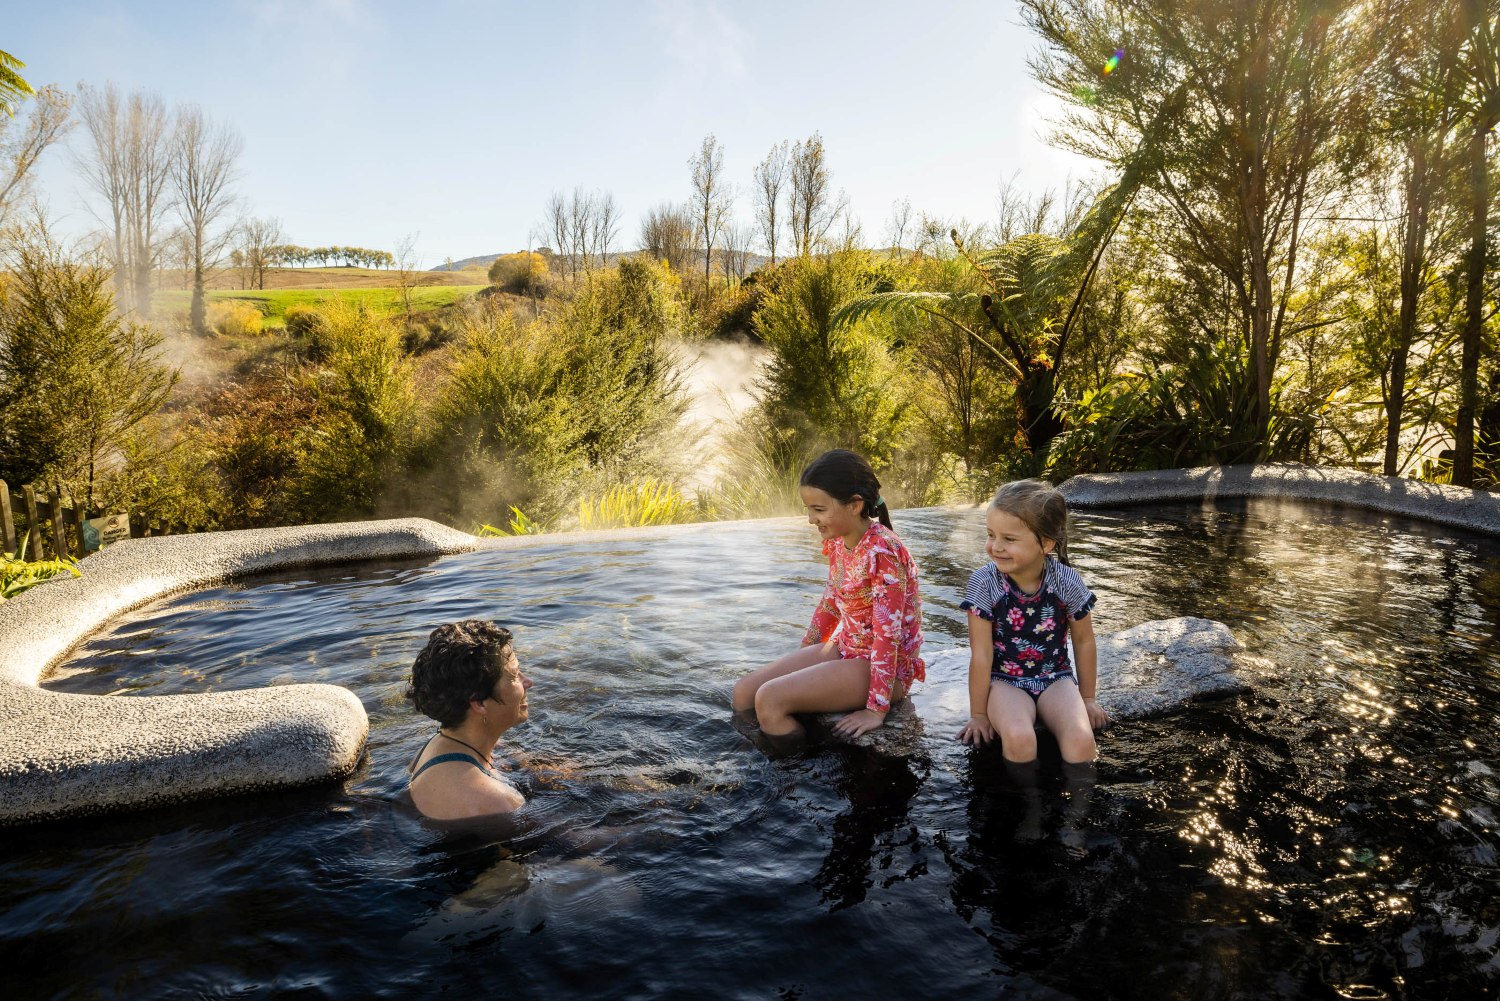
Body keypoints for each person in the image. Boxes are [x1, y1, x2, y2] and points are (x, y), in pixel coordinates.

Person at [732, 449, 925, 748]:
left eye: (819, 509)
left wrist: (876, 709)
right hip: (848, 649)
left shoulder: (883, 553)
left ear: (855, 505)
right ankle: (753, 756)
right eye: (808, 509)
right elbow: (831, 602)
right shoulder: (838, 542)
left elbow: (888, 636)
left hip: (883, 666)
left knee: (769, 700)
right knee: (744, 693)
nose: (811, 519)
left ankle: (792, 774)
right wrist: (805, 655)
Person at [956, 480, 1109, 847]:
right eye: (991, 534)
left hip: (1055, 677)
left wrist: (1087, 698)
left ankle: (1076, 817)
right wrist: (979, 714)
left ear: (1047, 543)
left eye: (1009, 538)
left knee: (1080, 740)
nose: (995, 546)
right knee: (1021, 738)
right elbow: (981, 655)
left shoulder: (1066, 580)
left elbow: (1084, 641)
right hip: (1004, 681)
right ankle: (1033, 807)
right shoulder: (985, 582)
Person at [404, 619, 533, 821]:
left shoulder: (442, 744)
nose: (528, 682)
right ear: (479, 702)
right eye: (515, 675)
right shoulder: (499, 802)